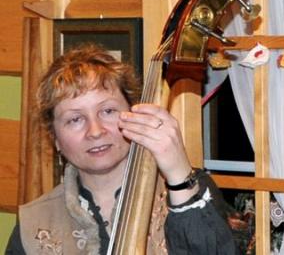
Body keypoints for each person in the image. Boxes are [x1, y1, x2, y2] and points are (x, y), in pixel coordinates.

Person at [5, 45, 242, 255]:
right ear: (55, 137)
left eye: (108, 111)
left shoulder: (191, 189)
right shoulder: (34, 224)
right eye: (75, 119)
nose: (95, 131)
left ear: (133, 113)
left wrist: (179, 176)